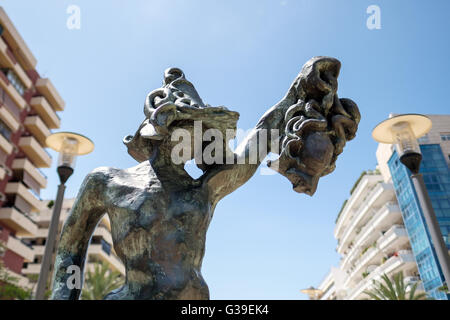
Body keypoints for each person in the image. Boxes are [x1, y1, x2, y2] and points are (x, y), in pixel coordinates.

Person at [51, 56, 360, 300]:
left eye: (203, 129)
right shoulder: (105, 182)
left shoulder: (203, 190)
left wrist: (300, 90)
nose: (199, 137)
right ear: (162, 128)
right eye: (191, 125)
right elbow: (69, 250)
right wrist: (63, 297)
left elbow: (261, 139)